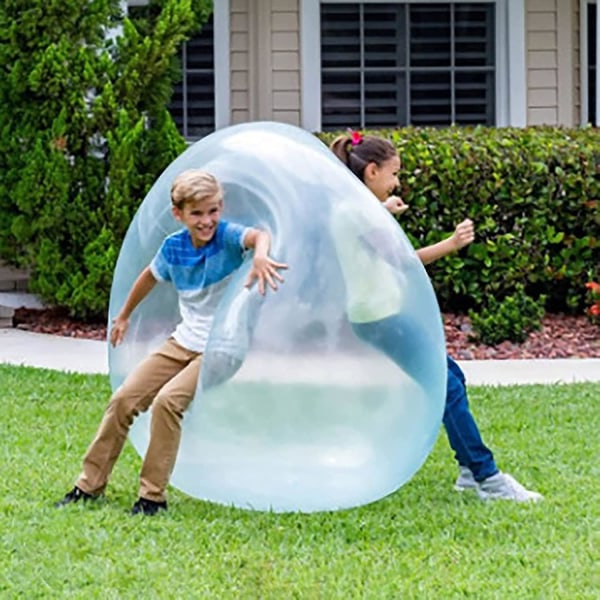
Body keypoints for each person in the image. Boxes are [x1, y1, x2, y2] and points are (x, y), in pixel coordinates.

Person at [56, 169, 287, 515]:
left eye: (213, 210)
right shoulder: (173, 248)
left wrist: (259, 254)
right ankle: (88, 486)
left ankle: (152, 497)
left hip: (223, 348)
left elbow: (260, 235)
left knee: (167, 403)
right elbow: (148, 278)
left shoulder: (227, 238)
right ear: (178, 214)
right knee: (122, 400)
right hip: (183, 343)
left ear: (220, 208)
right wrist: (124, 315)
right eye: (197, 213)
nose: (207, 221)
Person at [330, 132, 542, 502]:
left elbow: (369, 228)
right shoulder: (354, 212)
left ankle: (468, 471)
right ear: (373, 171)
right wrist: (453, 243)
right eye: (394, 174)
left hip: (380, 314)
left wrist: (385, 209)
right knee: (447, 387)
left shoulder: (355, 207)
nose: (398, 182)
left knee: (451, 378)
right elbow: (401, 260)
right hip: (380, 318)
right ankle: (486, 476)